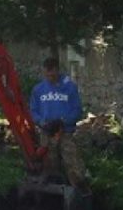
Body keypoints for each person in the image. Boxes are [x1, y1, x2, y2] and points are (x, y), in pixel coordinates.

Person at [29, 56, 87, 188]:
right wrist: (41, 122)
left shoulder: (70, 87)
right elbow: (33, 110)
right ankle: (51, 184)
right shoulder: (38, 90)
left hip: (65, 131)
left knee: (72, 159)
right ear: (44, 71)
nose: (50, 76)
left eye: (53, 73)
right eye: (47, 73)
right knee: (49, 161)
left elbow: (77, 110)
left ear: (57, 70)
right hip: (47, 132)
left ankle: (79, 185)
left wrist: (63, 121)